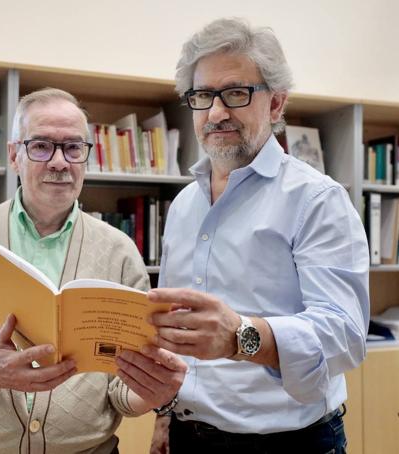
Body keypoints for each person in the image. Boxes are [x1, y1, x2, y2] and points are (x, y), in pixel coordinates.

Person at [0, 87, 186, 454]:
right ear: (14, 155)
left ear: (86, 158)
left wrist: (150, 392)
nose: (59, 162)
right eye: (41, 146)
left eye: (72, 148)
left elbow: (119, 390)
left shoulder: (119, 251)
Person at [148, 18, 370, 453]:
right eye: (202, 96)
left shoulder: (316, 199)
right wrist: (164, 415)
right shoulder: (183, 207)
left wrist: (239, 337)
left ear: (275, 103)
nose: (215, 113)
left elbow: (344, 336)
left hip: (290, 442)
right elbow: (177, 330)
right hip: (187, 435)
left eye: (235, 93)